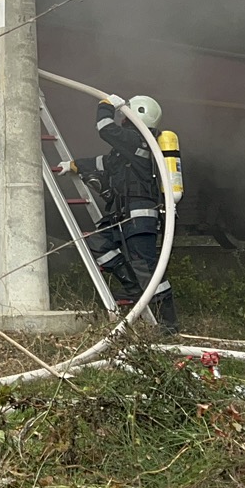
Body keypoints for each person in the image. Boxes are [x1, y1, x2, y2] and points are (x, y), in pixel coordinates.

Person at [55, 95, 180, 330]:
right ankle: (133, 290)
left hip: (139, 217)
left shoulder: (137, 140)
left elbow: (105, 128)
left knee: (147, 269)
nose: (122, 118)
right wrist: (74, 165)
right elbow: (104, 163)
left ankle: (168, 324)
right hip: (123, 216)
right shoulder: (129, 149)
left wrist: (106, 105)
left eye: (126, 114)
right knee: (98, 244)